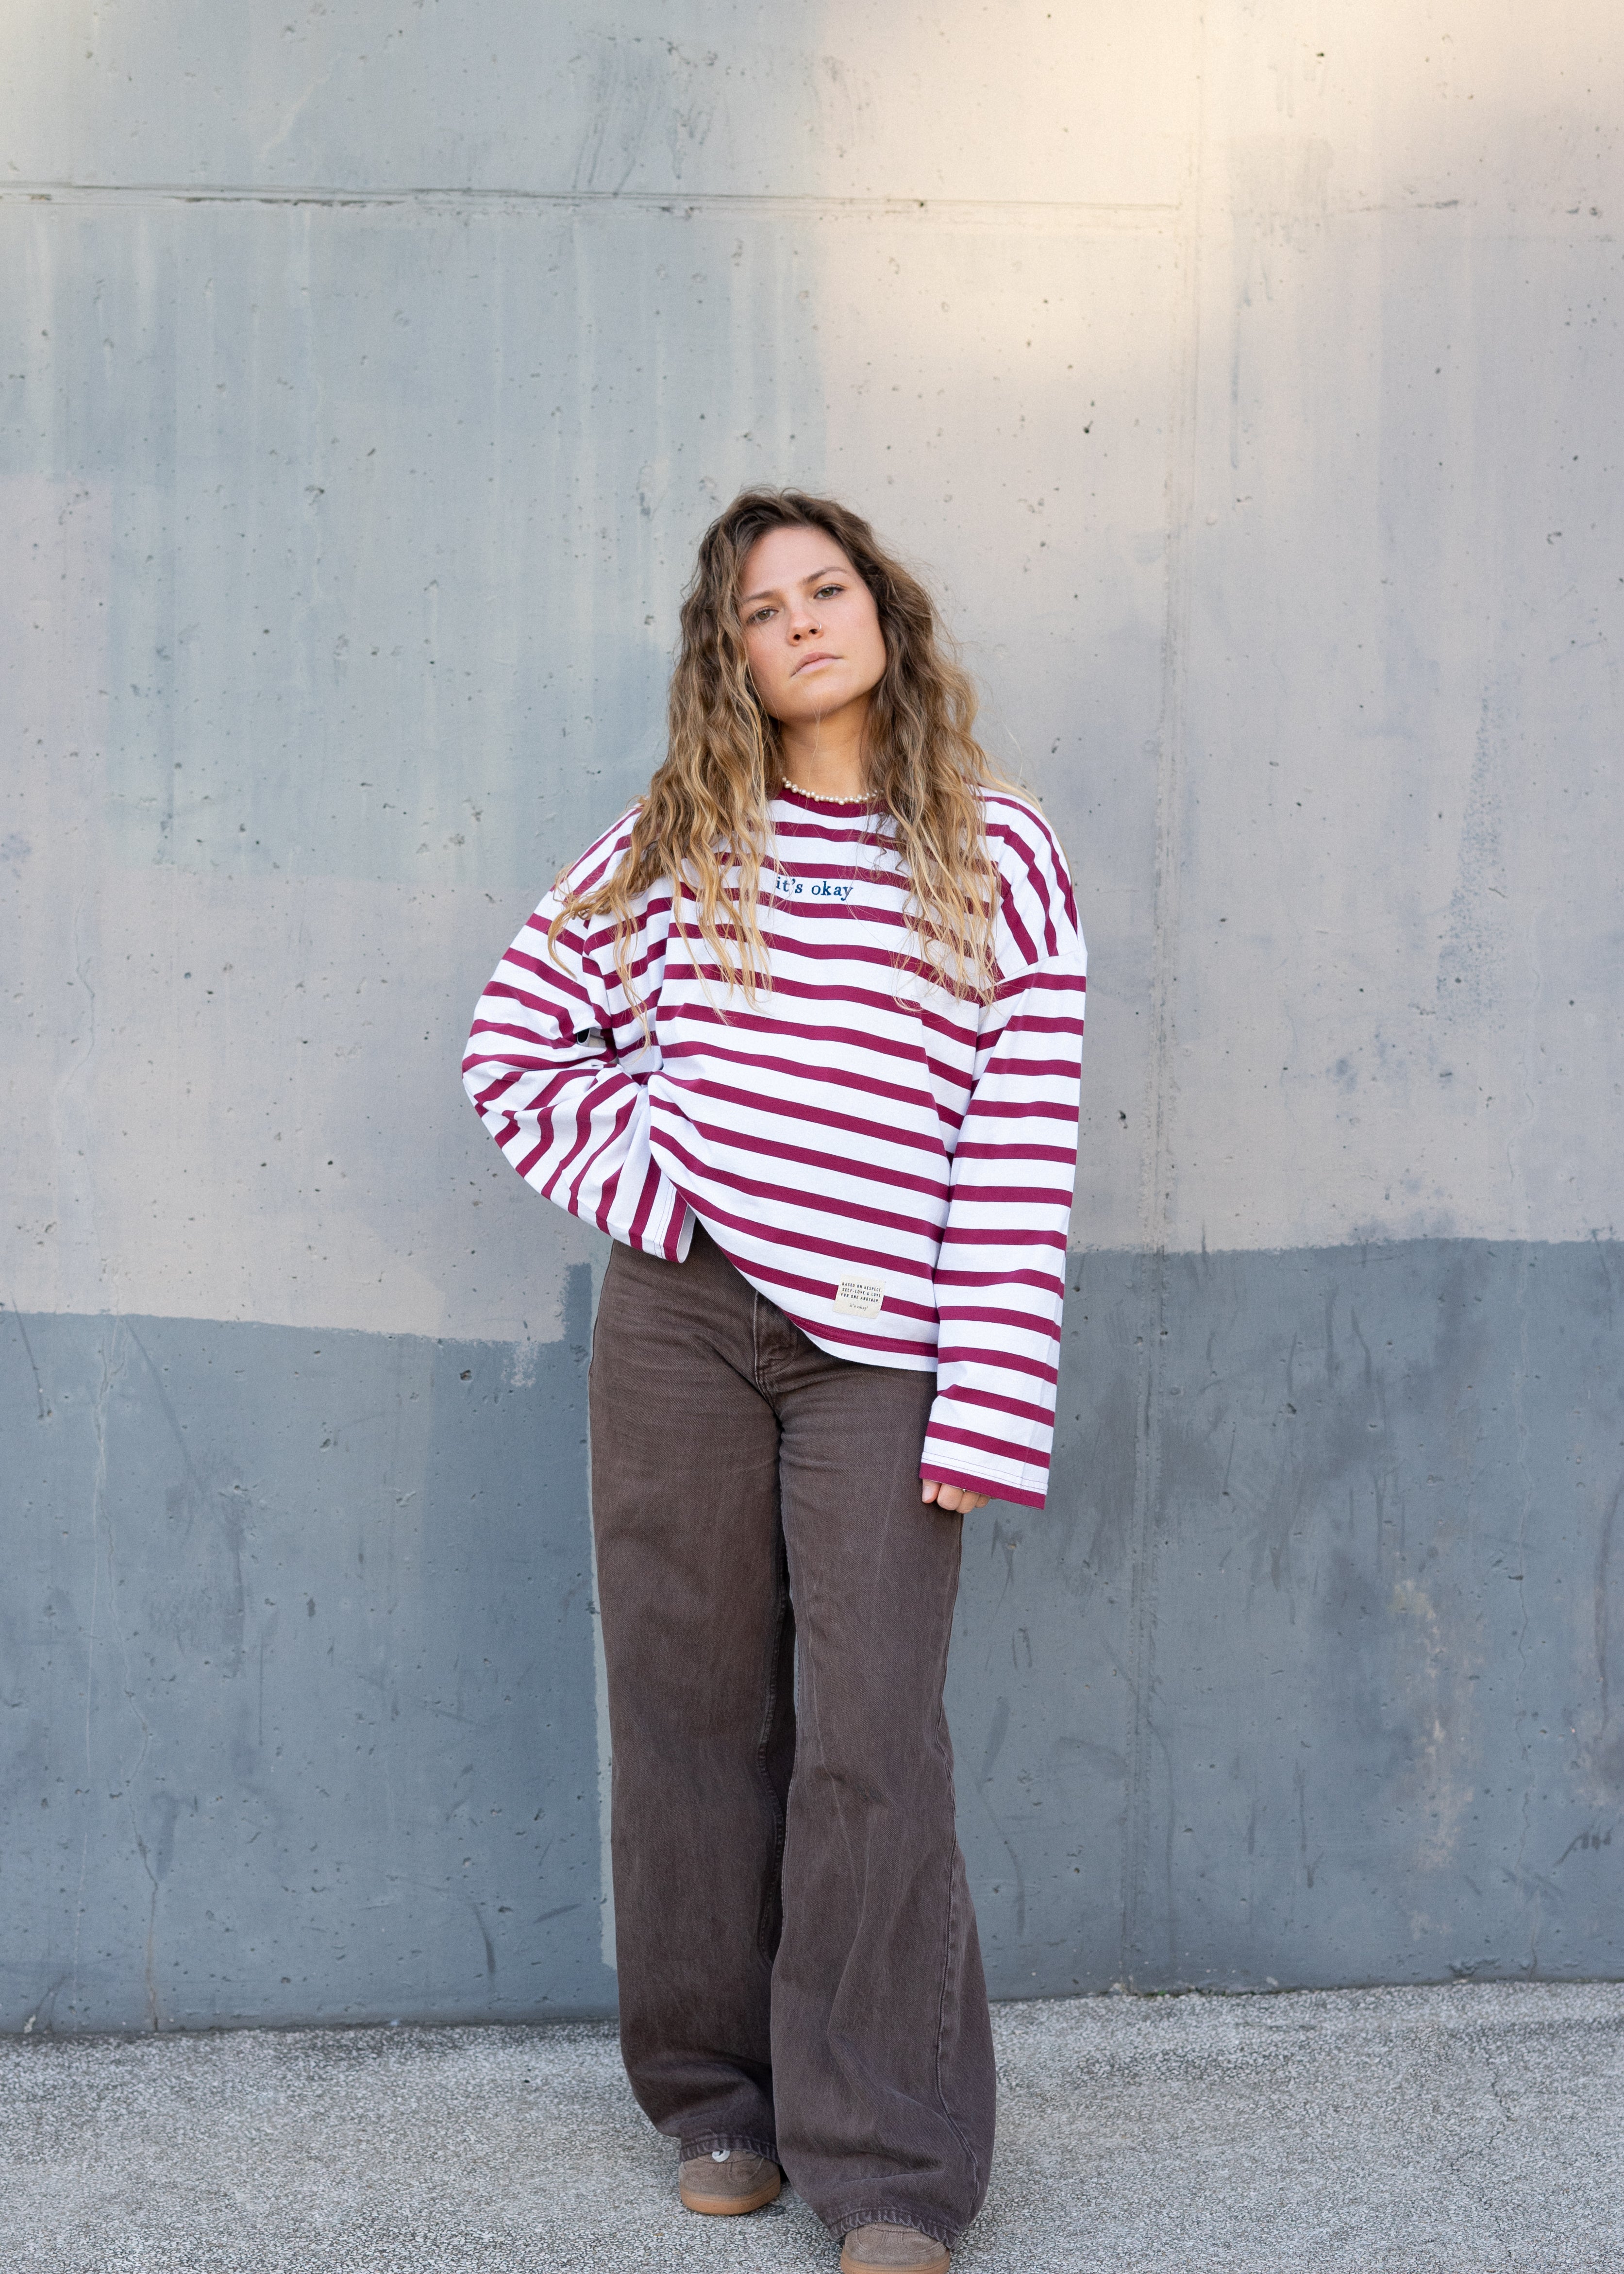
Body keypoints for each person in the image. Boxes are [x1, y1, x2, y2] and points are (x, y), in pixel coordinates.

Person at [462, 488, 1086, 2273]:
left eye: (828, 589)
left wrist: (986, 1398)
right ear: (725, 653)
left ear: (883, 609)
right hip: (680, 1329)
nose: (801, 621)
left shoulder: (998, 846)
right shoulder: (677, 832)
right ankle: (715, 2098)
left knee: (873, 1739)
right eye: (761, 608)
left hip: (886, 1350)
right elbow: (514, 1045)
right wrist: (672, 1197)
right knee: (688, 1715)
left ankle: (888, 2165)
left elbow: (1019, 1150)